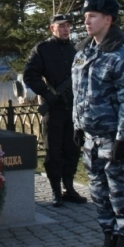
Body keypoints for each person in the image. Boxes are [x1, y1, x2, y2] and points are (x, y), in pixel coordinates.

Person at [72, 0, 124, 247]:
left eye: (93, 15)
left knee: (120, 194)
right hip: (91, 139)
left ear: (108, 19)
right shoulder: (84, 52)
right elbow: (79, 93)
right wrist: (77, 126)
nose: (86, 20)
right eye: (85, 15)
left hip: (113, 140)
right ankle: (108, 242)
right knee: (99, 194)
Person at [23, 14, 87, 207]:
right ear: (52, 28)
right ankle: (55, 191)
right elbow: (30, 75)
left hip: (73, 109)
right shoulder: (42, 49)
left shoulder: (76, 50)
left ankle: (69, 187)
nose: (66, 29)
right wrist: (46, 93)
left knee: (72, 149)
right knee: (53, 151)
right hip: (54, 108)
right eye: (61, 26)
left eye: (68, 26)